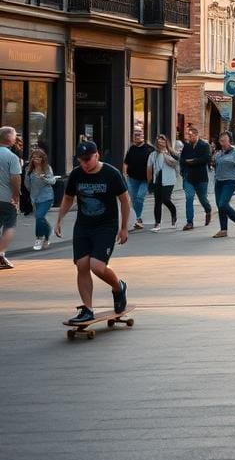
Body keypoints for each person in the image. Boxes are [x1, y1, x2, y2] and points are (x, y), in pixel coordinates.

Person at [54, 140, 130, 323]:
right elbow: (68, 198)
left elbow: (125, 201)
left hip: (106, 226)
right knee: (81, 265)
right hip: (83, 226)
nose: (84, 164)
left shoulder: (111, 174)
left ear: (97, 155)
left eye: (88, 159)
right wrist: (59, 220)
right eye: (81, 160)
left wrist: (124, 227)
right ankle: (87, 309)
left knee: (97, 266)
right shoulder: (76, 174)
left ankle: (118, 287)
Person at [212, 132, 235, 239]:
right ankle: (223, 229)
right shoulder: (219, 154)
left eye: (224, 140)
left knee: (223, 203)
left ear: (229, 141)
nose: (222, 142)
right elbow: (215, 165)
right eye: (221, 140)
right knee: (220, 205)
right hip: (219, 181)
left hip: (230, 182)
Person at [179, 126, 212, 231]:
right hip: (189, 177)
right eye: (188, 135)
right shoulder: (186, 147)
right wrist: (183, 171)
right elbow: (182, 160)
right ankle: (189, 222)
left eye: (191, 135)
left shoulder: (204, 146)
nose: (189, 137)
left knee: (203, 199)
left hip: (201, 177)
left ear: (196, 135)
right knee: (189, 197)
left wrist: (193, 161)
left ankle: (208, 210)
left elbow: (207, 158)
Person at [24, 148, 57, 251]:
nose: (36, 160)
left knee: (39, 217)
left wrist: (43, 178)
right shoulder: (29, 169)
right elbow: (27, 184)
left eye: (38, 157)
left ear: (43, 158)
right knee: (40, 218)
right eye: (33, 158)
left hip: (47, 197)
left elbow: (52, 181)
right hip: (35, 197)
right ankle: (47, 235)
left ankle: (39, 238)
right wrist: (32, 193)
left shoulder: (47, 168)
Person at [122, 129, 153, 231]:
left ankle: (138, 218)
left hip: (145, 179)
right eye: (135, 135)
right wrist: (125, 174)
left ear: (144, 136)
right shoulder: (131, 149)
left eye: (139, 135)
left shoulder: (150, 149)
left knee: (140, 197)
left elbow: (155, 163)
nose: (137, 137)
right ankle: (135, 219)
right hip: (132, 179)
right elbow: (126, 162)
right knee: (134, 199)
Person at [147, 134, 179, 232]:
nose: (161, 142)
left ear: (166, 142)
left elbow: (177, 163)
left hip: (169, 180)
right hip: (157, 180)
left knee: (165, 199)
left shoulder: (171, 152)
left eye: (163, 141)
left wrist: (167, 155)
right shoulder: (153, 154)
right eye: (159, 141)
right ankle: (157, 223)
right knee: (157, 202)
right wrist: (149, 182)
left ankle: (174, 214)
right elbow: (149, 169)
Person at [0, 126, 22, 269]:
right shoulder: (12, 157)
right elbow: (15, 179)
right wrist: (16, 197)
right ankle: (0, 253)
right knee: (10, 226)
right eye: (15, 137)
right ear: (11, 139)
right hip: (5, 198)